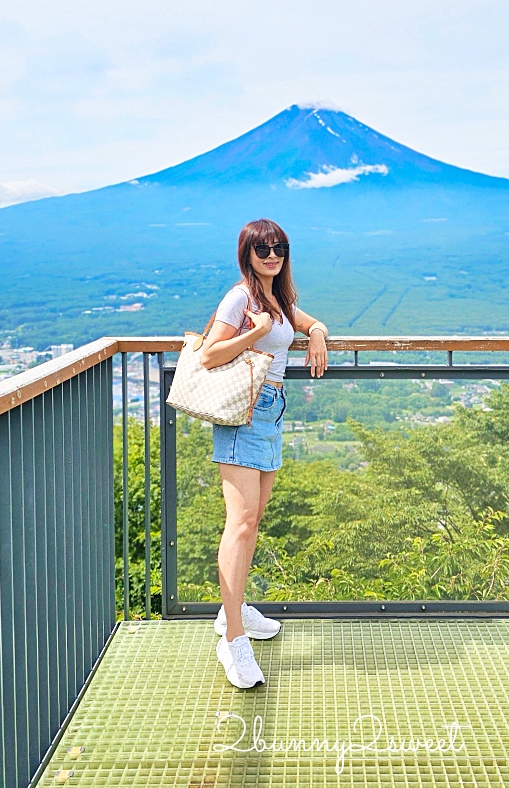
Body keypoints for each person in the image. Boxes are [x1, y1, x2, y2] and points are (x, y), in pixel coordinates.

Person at [200, 219, 329, 689]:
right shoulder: (241, 297)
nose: (272, 254)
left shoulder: (278, 296)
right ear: (247, 254)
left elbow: (305, 321)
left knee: (252, 521)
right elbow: (210, 355)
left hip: (271, 412)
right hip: (243, 415)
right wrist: (255, 334)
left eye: (279, 247)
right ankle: (233, 640)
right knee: (240, 524)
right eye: (262, 249)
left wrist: (315, 332)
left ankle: (233, 611)